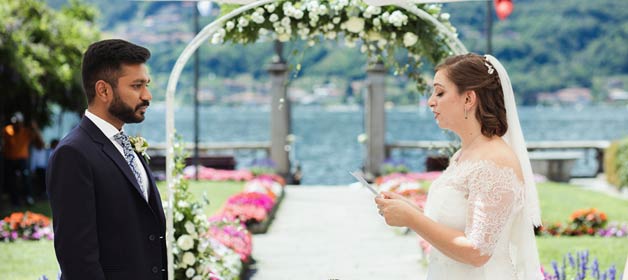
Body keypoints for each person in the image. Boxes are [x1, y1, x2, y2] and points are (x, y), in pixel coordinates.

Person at [375, 53, 542, 279]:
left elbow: (478, 252)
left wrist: (412, 220)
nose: (431, 101)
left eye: (440, 92)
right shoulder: (464, 154)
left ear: (468, 99)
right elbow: (457, 223)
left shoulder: (494, 161)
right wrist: (411, 210)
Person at [47, 39, 167, 280]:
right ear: (103, 90)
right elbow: (78, 259)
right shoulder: (73, 154)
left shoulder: (126, 144)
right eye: (137, 86)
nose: (147, 95)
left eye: (147, 85)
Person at [2, 112, 44, 206]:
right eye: (14, 122)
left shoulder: (26, 131)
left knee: (26, 178)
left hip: (22, 160)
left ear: (21, 123)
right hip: (9, 160)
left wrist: (35, 128)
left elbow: (40, 144)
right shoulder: (7, 130)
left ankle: (28, 197)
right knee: (11, 181)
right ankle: (14, 201)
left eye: (17, 122)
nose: (15, 124)